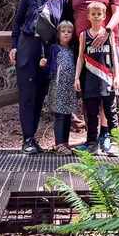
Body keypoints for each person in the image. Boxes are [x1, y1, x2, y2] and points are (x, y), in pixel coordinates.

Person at [10, 0, 70, 154]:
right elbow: (18, 23)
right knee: (28, 95)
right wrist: (14, 47)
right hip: (28, 48)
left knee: (41, 95)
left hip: (50, 52)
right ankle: (28, 139)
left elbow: (66, 26)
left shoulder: (62, 0)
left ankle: (45, 140)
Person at [68, 0, 119, 154]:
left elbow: (118, 11)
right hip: (84, 46)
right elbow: (68, 17)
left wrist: (107, 29)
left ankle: (106, 136)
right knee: (89, 93)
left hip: (107, 45)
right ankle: (91, 140)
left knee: (107, 93)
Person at [74, 1, 119, 154]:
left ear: (104, 16)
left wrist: (116, 76)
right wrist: (76, 78)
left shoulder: (109, 34)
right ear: (88, 16)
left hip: (107, 79)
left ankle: (115, 144)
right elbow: (80, 57)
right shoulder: (83, 35)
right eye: (93, 14)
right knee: (91, 113)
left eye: (99, 14)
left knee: (111, 112)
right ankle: (92, 144)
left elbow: (114, 56)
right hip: (90, 80)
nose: (96, 17)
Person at [47, 20, 77, 154]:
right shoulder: (54, 48)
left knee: (67, 114)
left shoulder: (72, 50)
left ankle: (65, 143)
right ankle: (59, 144)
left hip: (69, 87)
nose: (66, 34)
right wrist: (44, 64)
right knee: (60, 115)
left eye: (69, 32)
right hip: (58, 86)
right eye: (63, 31)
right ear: (58, 34)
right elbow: (49, 66)